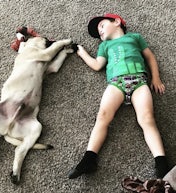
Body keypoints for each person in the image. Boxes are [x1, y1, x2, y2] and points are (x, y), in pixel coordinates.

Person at [68, 13, 169, 179]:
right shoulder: (104, 46)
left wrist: (156, 78)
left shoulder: (135, 38)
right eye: (98, 32)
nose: (99, 32)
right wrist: (82, 52)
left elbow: (150, 56)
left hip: (139, 82)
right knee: (102, 117)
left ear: (117, 22)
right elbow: (97, 65)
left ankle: (162, 163)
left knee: (147, 119)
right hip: (116, 83)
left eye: (101, 26)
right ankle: (89, 159)